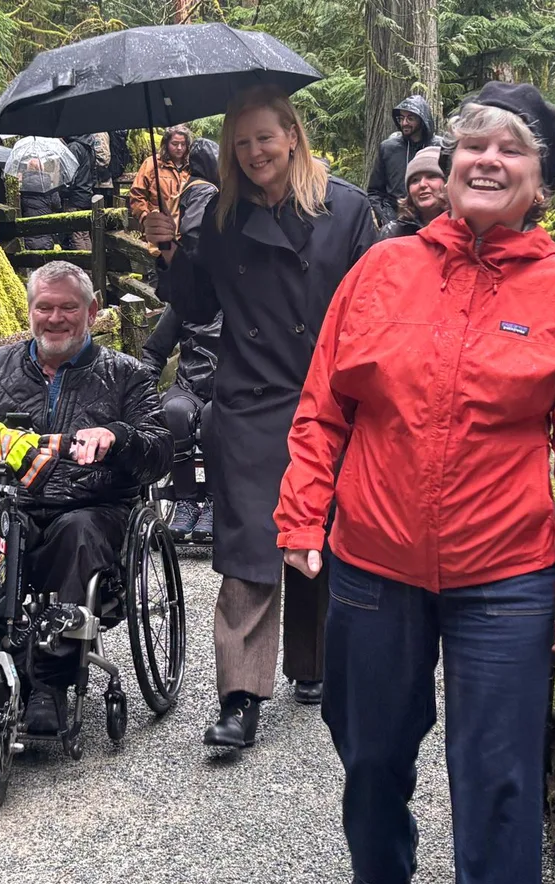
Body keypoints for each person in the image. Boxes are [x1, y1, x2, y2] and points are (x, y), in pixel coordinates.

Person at [275, 82, 555, 884]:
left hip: (505, 577)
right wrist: (302, 512)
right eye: (475, 146)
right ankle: (381, 876)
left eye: (513, 150)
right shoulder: (382, 269)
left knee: (497, 775)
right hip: (372, 562)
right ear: (447, 161)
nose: (489, 161)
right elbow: (325, 406)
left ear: (542, 182)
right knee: (367, 752)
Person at [143, 84, 378, 748]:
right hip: (251, 398)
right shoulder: (219, 217)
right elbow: (193, 305)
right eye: (241, 143)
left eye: (264, 138)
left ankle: (314, 663)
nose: (253, 154)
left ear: (293, 136)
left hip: (331, 398)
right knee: (250, 545)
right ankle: (240, 695)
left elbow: (376, 304)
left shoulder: (347, 208)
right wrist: (169, 253)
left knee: (321, 538)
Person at [0, 261, 173, 733]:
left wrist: (116, 438)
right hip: (13, 501)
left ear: (92, 312)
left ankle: (50, 682)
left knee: (75, 535)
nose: (55, 318)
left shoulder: (127, 375)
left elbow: (159, 450)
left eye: (68, 308)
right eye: (44, 307)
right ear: (30, 311)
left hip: (92, 507)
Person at [141, 137, 222, 542]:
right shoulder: (187, 299)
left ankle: (217, 503)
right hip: (189, 383)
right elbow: (155, 350)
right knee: (173, 412)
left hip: (230, 387)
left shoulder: (239, 296)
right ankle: (188, 500)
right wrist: (137, 388)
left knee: (212, 419)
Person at [366, 95, 442, 227]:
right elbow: (375, 191)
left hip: (435, 220)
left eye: (410, 118)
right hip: (398, 220)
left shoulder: (441, 147)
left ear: (422, 120)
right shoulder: (388, 148)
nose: (404, 123)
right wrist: (387, 219)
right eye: (401, 118)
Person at [376, 145, 447, 241]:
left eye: (431, 176)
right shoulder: (394, 233)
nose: (422, 184)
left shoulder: (467, 228)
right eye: (415, 180)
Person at [129, 125, 193, 224]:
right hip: (158, 224)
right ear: (166, 144)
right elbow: (137, 194)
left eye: (183, 144)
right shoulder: (152, 163)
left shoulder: (192, 166)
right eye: (174, 144)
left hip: (184, 227)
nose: (179, 148)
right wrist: (145, 217)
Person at [61, 134, 98, 250]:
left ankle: (84, 265)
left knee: (76, 234)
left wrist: (64, 191)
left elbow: (69, 174)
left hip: (75, 196)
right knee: (85, 234)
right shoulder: (89, 148)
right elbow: (94, 173)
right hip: (86, 193)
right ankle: (92, 264)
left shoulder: (74, 147)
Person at [19, 158, 63, 250]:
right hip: (46, 231)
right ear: (42, 169)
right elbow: (57, 205)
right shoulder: (49, 186)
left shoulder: (22, 186)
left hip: (28, 232)